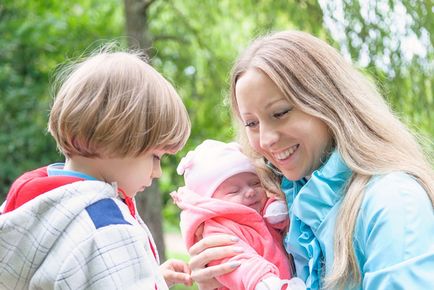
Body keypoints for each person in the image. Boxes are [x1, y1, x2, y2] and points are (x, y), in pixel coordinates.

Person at [187, 30, 434, 290]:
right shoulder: (282, 204)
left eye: (280, 113)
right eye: (252, 123)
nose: (266, 138)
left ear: (327, 102)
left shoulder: (391, 201)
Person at [0, 48, 193, 289]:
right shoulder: (106, 227)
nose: (157, 172)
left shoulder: (33, 200)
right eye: (155, 156)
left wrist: (149, 276)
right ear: (113, 138)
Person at [172, 139, 306, 290]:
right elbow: (236, 260)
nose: (250, 192)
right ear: (213, 202)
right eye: (234, 191)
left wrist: (275, 212)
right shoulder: (217, 230)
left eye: (255, 183)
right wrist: (263, 281)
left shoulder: (257, 215)